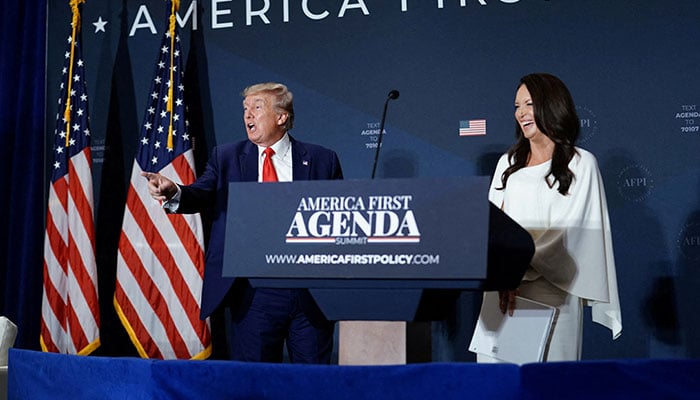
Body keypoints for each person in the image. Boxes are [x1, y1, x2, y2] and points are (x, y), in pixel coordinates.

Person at [142, 82, 343, 363]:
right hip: (253, 292)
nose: (248, 115)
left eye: (257, 108)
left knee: (312, 383)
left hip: (309, 293)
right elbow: (201, 193)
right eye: (245, 109)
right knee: (253, 384)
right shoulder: (227, 158)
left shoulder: (322, 159)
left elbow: (339, 217)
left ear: (281, 116)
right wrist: (174, 191)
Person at [474, 73, 622, 362]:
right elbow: (492, 225)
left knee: (550, 385)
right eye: (517, 106)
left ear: (551, 105)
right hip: (503, 294)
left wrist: (515, 272)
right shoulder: (508, 163)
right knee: (497, 385)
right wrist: (502, 277)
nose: (521, 113)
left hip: (553, 289)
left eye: (528, 104)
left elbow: (571, 234)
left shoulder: (581, 163)